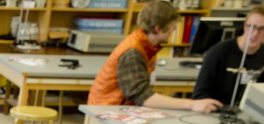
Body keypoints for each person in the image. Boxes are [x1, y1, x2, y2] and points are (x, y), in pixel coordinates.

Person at [89, 0, 221, 112]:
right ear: (158, 28)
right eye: (172, 26)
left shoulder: (148, 45)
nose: (174, 30)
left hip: (120, 106)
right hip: (107, 110)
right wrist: (192, 104)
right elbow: (143, 97)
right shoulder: (133, 52)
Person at [193, 5, 264, 106]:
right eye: (251, 27)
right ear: (244, 25)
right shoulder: (218, 52)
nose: (255, 33)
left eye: (262, 29)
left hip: (249, 114)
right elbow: (199, 94)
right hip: (216, 112)